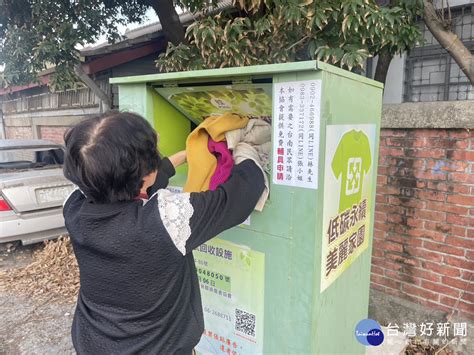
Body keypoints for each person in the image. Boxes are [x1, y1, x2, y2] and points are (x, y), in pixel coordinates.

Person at [62, 111, 265, 354]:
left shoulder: (74, 207)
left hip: (93, 342)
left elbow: (126, 189)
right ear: (146, 175)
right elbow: (239, 196)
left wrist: (187, 156)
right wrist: (245, 150)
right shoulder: (166, 220)